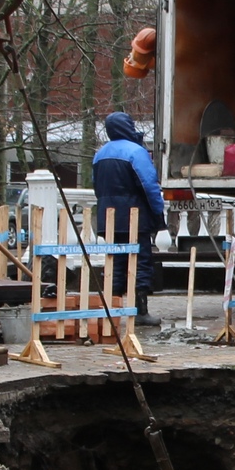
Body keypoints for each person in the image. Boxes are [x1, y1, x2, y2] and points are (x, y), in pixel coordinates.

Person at [90, 111, 166, 328]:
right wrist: (157, 213)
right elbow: (149, 186)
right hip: (135, 217)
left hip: (109, 216)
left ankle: (113, 312)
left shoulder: (100, 154)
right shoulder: (136, 152)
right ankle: (140, 311)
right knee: (140, 263)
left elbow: (96, 186)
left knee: (114, 262)